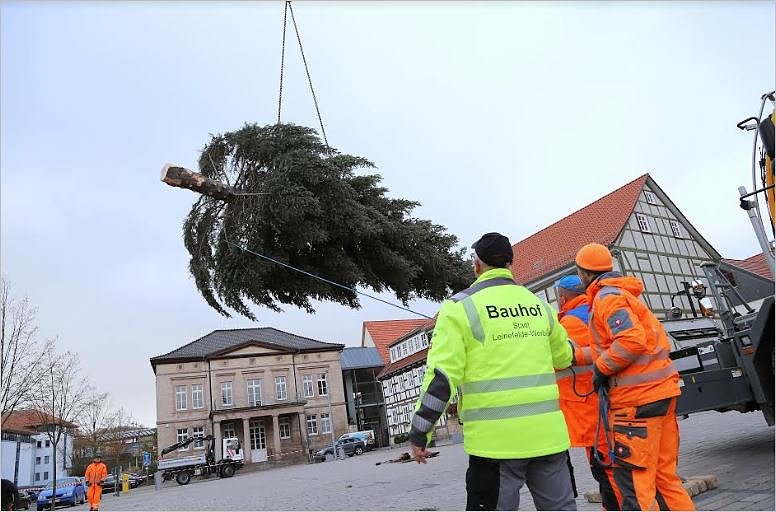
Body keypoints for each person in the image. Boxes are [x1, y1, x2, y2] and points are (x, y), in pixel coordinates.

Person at [409, 232, 577, 511]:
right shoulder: (538, 304)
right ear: (511, 263)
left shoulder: (459, 308)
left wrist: (420, 432)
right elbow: (564, 355)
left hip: (494, 446)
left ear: (476, 265)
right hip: (549, 438)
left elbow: (442, 379)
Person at [573, 243, 695, 511]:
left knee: (635, 485)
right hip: (660, 395)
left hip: (635, 405)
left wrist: (600, 369)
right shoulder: (624, 295)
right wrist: (579, 356)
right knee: (665, 480)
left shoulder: (607, 298)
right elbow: (614, 345)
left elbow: (630, 342)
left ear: (584, 273)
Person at [555, 275, 619, 510]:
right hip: (606, 400)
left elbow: (559, 360)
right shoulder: (595, 311)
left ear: (562, 297)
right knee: (609, 466)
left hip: (587, 406)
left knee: (605, 468)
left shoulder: (569, 324)